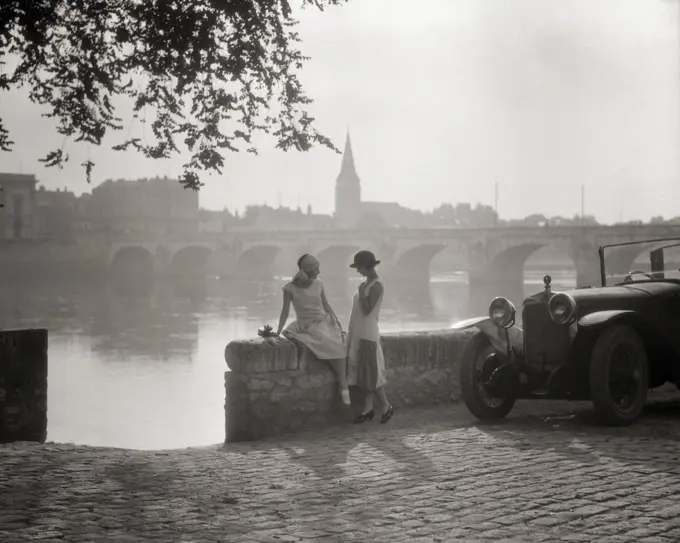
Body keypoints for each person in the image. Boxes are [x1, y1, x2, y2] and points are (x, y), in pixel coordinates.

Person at [275, 254, 350, 405]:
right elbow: (285, 312)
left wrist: (337, 321)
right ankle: (344, 386)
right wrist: (277, 331)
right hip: (306, 325)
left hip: (324, 321)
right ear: (308, 270)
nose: (318, 271)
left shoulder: (319, 284)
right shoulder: (289, 288)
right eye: (316, 269)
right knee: (330, 343)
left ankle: (343, 385)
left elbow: (326, 305)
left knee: (339, 343)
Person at [346, 250, 394, 424]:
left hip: (367, 331)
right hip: (358, 330)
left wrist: (361, 292)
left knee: (370, 370)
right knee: (363, 370)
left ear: (367, 266)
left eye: (359, 267)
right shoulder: (366, 283)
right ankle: (369, 409)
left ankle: (385, 406)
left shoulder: (377, 285)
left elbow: (367, 309)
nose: (358, 271)